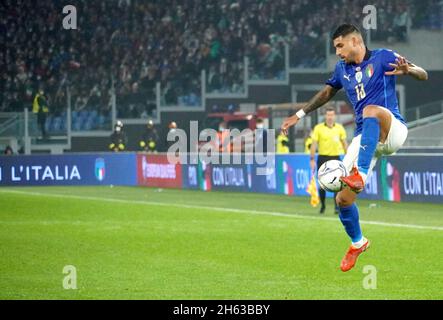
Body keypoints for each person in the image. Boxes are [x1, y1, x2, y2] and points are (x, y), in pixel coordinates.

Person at [281, 24, 428, 272]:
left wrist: (409, 70)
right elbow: (328, 91)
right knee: (343, 199)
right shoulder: (342, 70)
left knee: (370, 110)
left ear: (355, 41)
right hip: (365, 139)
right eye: (335, 47)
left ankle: (359, 173)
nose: (337, 52)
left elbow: (424, 75)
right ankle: (358, 242)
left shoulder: (384, 57)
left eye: (340, 46)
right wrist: (299, 114)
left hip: (391, 129)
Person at [310, 106, 348, 214]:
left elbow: (344, 144)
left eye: (332, 115)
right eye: (328, 115)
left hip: (335, 158)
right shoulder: (318, 128)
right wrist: (312, 159)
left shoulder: (339, 128)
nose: (330, 117)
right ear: (325, 116)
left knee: (337, 184)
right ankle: (323, 206)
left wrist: (349, 157)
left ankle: (336, 207)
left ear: (334, 116)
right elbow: (314, 144)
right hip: (323, 158)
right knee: (322, 184)